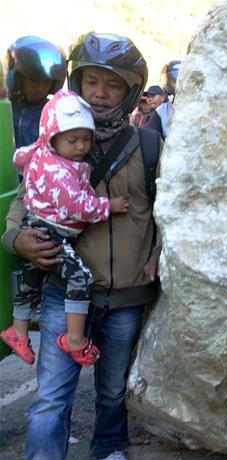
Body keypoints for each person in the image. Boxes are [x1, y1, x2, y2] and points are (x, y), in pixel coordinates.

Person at [2, 32, 162, 460]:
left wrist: (161, 251)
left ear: (130, 90)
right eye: (90, 81)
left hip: (125, 290)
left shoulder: (149, 143)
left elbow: (173, 206)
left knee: (113, 387)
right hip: (59, 289)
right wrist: (16, 238)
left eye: (110, 85)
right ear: (76, 82)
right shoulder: (55, 139)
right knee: (51, 396)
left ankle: (109, 448)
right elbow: (21, 209)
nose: (97, 93)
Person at [1, 90, 129, 367]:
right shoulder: (55, 168)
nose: (81, 146)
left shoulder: (50, 157)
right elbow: (77, 206)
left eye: (86, 139)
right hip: (53, 232)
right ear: (51, 136)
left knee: (31, 279)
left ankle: (18, 332)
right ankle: (73, 340)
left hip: (42, 227)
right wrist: (109, 206)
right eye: (73, 140)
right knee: (80, 277)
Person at [5, 36, 67, 148]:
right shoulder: (6, 109)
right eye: (34, 80)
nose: (40, 88)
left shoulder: (53, 113)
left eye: (47, 82)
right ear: (19, 78)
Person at [146, 60, 180, 139]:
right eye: (175, 81)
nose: (180, 84)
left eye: (182, 79)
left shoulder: (200, 107)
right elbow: (151, 139)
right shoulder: (162, 111)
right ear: (167, 83)